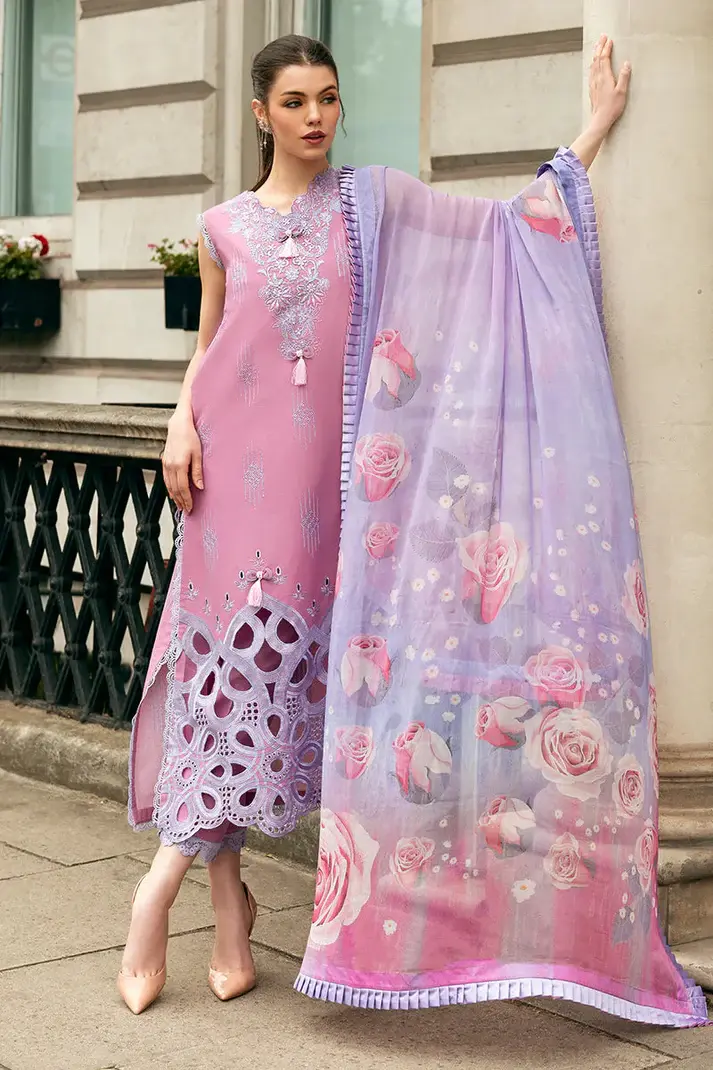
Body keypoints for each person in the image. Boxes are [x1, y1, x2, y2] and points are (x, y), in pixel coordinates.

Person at [119, 34, 708, 1027]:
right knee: (230, 691)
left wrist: (590, 135)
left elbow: (500, 230)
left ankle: (215, 911)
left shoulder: (373, 205)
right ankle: (185, 899)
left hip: (337, 499)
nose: (315, 116)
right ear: (260, 113)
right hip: (232, 487)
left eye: (328, 98)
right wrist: (180, 419)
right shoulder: (220, 226)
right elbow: (210, 345)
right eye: (294, 101)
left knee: (285, 696)